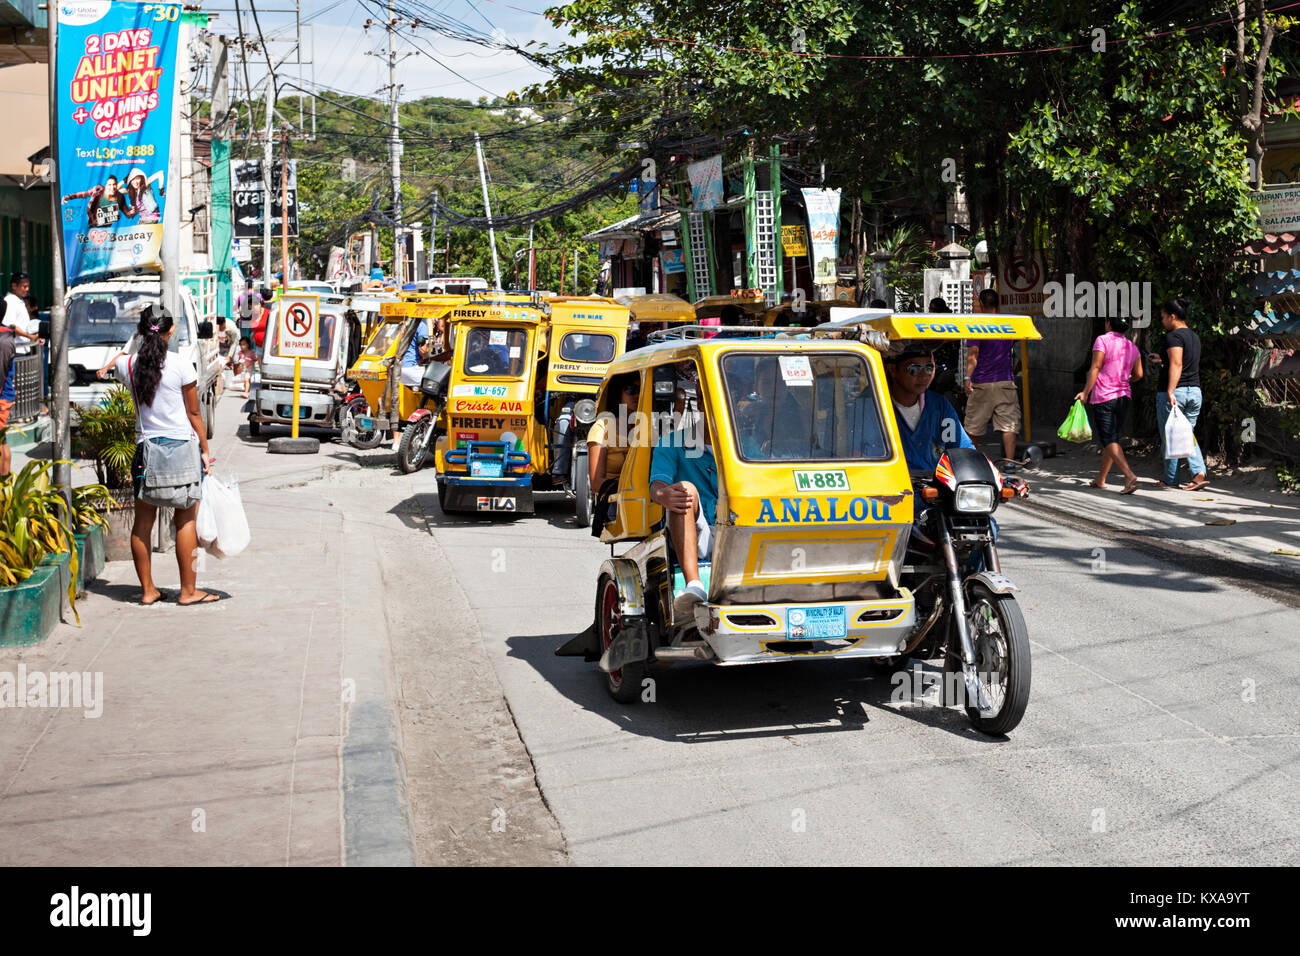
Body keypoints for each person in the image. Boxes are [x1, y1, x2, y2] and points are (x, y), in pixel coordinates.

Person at [96, 307, 218, 606]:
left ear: (141, 331)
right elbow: (193, 413)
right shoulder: (180, 365)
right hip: (181, 450)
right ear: (171, 331)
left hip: (146, 452)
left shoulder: (128, 366)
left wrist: (133, 343)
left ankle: (148, 590)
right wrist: (205, 449)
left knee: (143, 523)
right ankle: (188, 591)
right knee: (185, 521)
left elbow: (113, 363)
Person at [649, 383, 717, 617]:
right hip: (700, 532)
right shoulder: (672, 443)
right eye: (702, 395)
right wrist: (662, 494)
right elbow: (657, 487)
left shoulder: (755, 444)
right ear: (697, 401)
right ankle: (694, 583)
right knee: (684, 490)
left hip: (745, 526)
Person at [1075, 315, 1143, 494]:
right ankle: (1101, 479)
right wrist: (1126, 379)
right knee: (1112, 439)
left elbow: (1095, 368)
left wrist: (1085, 392)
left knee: (1109, 439)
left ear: (1108, 324)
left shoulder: (1102, 340)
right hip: (1123, 398)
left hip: (1104, 397)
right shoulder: (1132, 346)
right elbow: (1139, 374)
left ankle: (1129, 475)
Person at [1148, 297, 1207, 491]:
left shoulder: (1173, 337)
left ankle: (1175, 477)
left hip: (1176, 394)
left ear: (1173, 316)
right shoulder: (1193, 336)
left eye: (1164, 317)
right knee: (1186, 434)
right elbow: (1180, 361)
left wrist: (1170, 391)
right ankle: (1196, 473)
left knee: (1170, 436)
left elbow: (1177, 363)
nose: (1162, 321)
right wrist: (1161, 359)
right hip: (1194, 392)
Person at [963, 288, 1022, 468]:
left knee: (974, 425)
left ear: (980, 304)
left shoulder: (977, 325)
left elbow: (973, 354)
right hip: (1005, 381)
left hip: (982, 382)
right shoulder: (1008, 324)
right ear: (998, 304)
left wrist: (967, 377)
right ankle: (1009, 462)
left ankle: (971, 461)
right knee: (1009, 423)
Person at [3, 273, 39, 355]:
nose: (27, 289)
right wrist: (30, 336)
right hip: (16, 350)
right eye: (24, 286)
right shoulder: (10, 301)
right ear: (14, 286)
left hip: (24, 348)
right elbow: (10, 326)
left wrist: (34, 336)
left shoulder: (20, 300)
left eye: (28, 286)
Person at [0, 320, 16, 477]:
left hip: (2, 396)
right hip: (4, 395)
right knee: (2, 440)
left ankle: (4, 482)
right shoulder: (6, 336)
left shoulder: (3, 339)